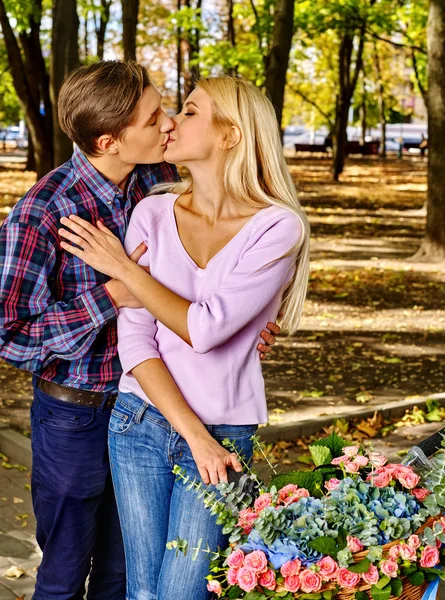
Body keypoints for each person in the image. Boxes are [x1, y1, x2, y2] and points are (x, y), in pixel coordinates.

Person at [0, 62, 278, 600]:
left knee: (124, 574)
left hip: (150, 410)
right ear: (110, 140)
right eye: (155, 118)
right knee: (62, 574)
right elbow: (9, 332)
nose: (169, 123)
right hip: (76, 413)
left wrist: (246, 327)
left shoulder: (158, 184)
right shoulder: (44, 210)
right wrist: (109, 298)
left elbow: (206, 285)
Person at [58, 76, 310, 600]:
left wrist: (125, 272)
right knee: (142, 592)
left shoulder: (277, 227)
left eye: (190, 112)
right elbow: (136, 342)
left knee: (183, 593)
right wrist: (193, 434)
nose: (172, 121)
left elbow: (205, 328)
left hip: (224, 433)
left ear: (230, 135)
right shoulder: (151, 210)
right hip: (139, 421)